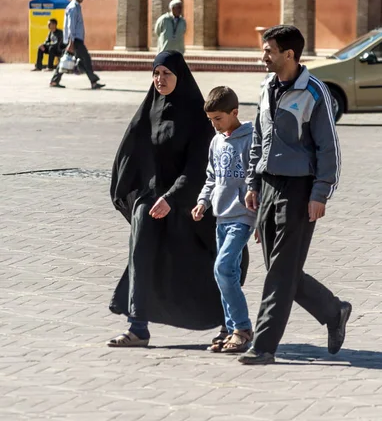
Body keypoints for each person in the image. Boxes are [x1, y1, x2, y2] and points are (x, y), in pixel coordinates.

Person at [238, 25, 351, 366]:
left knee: (280, 272)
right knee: (281, 269)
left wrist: (321, 193)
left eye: (268, 50)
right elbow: (259, 138)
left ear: (289, 54)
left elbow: (329, 148)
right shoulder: (265, 88)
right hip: (268, 187)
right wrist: (252, 183)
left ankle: (263, 345)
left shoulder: (314, 92)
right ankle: (334, 311)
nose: (263, 56)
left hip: (300, 191)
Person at [107, 51, 227, 347]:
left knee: (205, 261)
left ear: (180, 77)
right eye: (156, 73)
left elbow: (199, 166)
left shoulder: (196, 116)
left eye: (167, 74)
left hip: (189, 201)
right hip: (152, 198)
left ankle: (231, 324)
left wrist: (173, 198)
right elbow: (133, 151)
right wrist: (138, 194)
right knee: (141, 255)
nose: (160, 79)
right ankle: (137, 327)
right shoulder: (150, 108)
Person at [192, 86, 257, 354]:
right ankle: (231, 331)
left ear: (234, 112)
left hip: (242, 216)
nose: (215, 125)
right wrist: (202, 202)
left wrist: (261, 218)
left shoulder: (251, 139)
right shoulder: (216, 141)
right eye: (211, 120)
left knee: (223, 268)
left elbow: (257, 178)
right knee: (224, 274)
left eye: (219, 119)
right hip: (221, 217)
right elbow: (211, 177)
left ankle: (242, 328)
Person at [50, 0, 104, 89]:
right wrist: (71, 42)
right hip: (75, 40)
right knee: (85, 59)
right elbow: (71, 26)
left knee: (66, 59)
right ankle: (93, 82)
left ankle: (54, 80)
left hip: (74, 40)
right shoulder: (73, 7)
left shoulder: (76, 6)